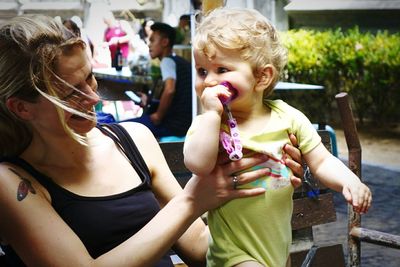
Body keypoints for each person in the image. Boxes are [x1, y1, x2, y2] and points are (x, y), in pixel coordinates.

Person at [0, 14, 305, 267]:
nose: (93, 96)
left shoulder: (133, 140)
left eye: (90, 78)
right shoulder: (12, 181)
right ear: (21, 108)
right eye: (71, 94)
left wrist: (266, 191)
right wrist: (191, 200)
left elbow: (199, 246)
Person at [184, 7, 373, 267]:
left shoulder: (288, 117)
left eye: (222, 69)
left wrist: (349, 181)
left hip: (277, 250)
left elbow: (321, 161)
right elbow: (197, 163)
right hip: (233, 255)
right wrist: (212, 116)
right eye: (202, 71)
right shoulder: (211, 125)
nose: (209, 81)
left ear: (262, 76)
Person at [124, 22, 192, 138]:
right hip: (184, 123)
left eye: (152, 40)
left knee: (121, 127)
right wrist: (149, 100)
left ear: (165, 42)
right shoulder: (179, 61)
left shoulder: (167, 61)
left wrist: (158, 116)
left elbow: (170, 90)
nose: (149, 45)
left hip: (173, 126)